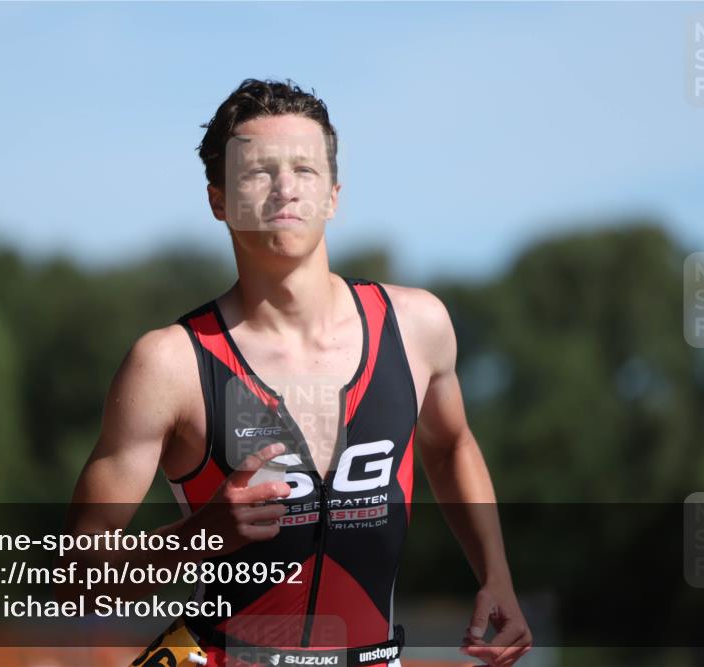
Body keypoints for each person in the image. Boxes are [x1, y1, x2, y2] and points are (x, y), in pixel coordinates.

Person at [64, 78, 532, 667]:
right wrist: (199, 537)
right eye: (258, 171)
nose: (285, 187)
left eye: (304, 170)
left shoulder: (417, 327)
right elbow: (77, 578)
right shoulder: (170, 364)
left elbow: (450, 445)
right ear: (218, 201)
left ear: (333, 195)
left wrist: (496, 576)